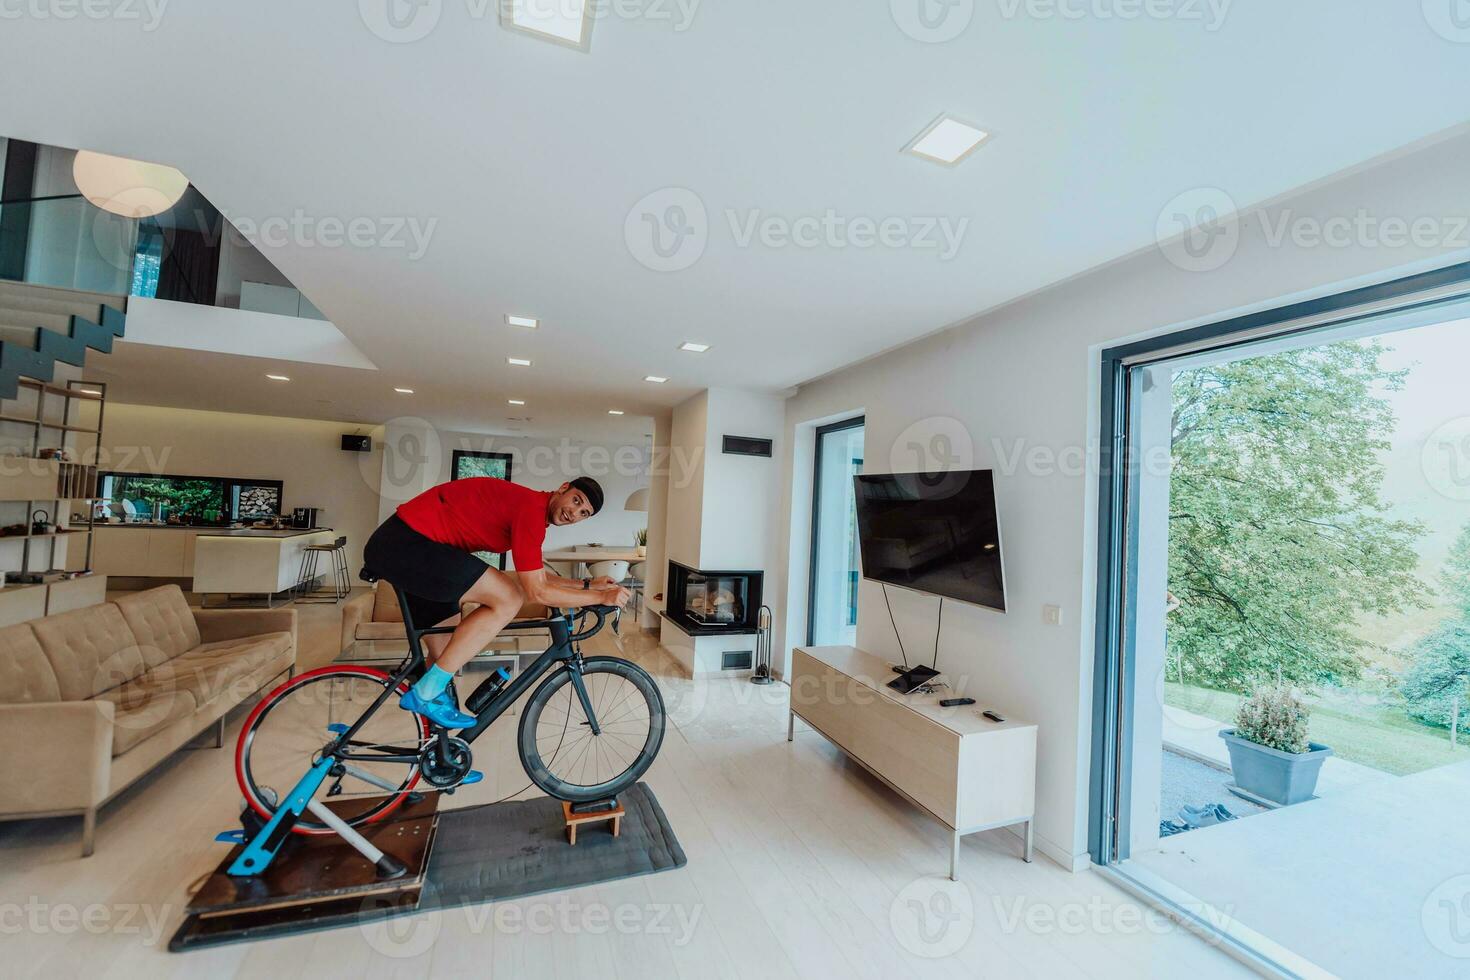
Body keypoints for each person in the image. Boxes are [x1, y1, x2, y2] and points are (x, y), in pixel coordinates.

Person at [363, 475, 631, 729]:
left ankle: (439, 756)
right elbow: (537, 591)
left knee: (447, 655)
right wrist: (600, 597)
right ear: (562, 488)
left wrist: (586, 584)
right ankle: (424, 693)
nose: (575, 513)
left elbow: (533, 575)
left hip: (419, 551)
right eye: (576, 500)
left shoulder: (531, 511)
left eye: (583, 513)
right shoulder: (530, 509)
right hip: (407, 544)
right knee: (509, 597)